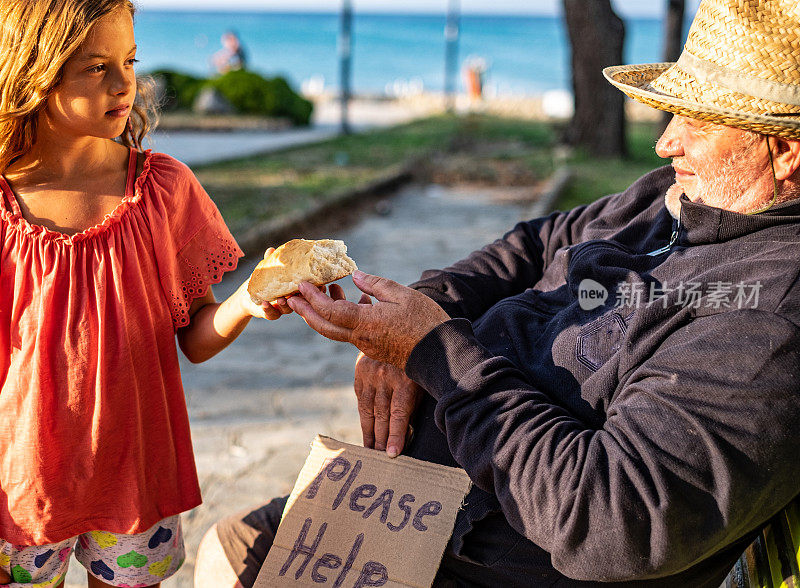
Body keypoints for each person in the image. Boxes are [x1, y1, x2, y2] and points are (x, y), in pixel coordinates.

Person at [198, 0, 800, 586]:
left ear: (784, 153)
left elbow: (612, 519)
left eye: (697, 122)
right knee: (226, 549)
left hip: (477, 552)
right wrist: (427, 306)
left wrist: (433, 353)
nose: (666, 144)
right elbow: (537, 243)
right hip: (417, 495)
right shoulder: (677, 194)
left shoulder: (770, 312)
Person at [0, 1, 294, 586]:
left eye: (130, 60)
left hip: (135, 476)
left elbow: (195, 339)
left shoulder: (164, 190)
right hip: (22, 486)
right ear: (33, 71)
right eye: (94, 67)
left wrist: (244, 305)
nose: (123, 83)